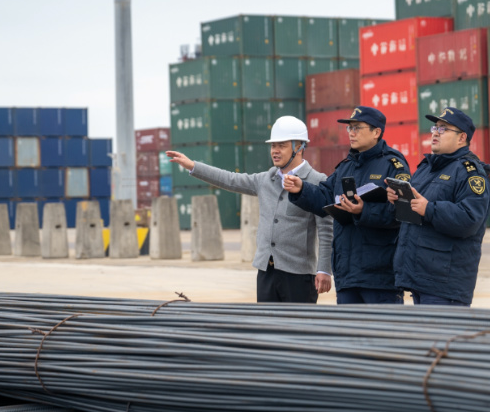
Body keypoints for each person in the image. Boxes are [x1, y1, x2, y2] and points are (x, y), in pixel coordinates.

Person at [166, 116, 333, 303]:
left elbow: (326, 230)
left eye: (281, 145)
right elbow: (230, 179)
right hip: (266, 272)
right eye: (273, 146)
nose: (275, 151)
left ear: (299, 147)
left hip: (299, 274)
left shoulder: (317, 181)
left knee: (298, 330)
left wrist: (324, 269)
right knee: (264, 329)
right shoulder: (265, 180)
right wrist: (193, 166)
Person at [283, 106, 410, 304]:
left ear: (376, 132)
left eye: (357, 128)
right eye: (349, 128)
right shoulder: (346, 165)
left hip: (380, 277)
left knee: (382, 333)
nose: (351, 133)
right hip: (347, 275)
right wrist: (301, 189)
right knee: (349, 333)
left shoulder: (393, 166)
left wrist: (364, 211)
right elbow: (324, 196)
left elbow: (404, 213)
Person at [386, 107, 490, 306]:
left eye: (443, 129)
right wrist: (397, 201)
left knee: (443, 337)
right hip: (420, 278)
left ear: (462, 138)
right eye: (435, 127)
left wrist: (429, 209)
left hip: (445, 284)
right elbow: (413, 214)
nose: (434, 132)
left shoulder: (470, 173)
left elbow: (470, 219)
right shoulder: (426, 168)